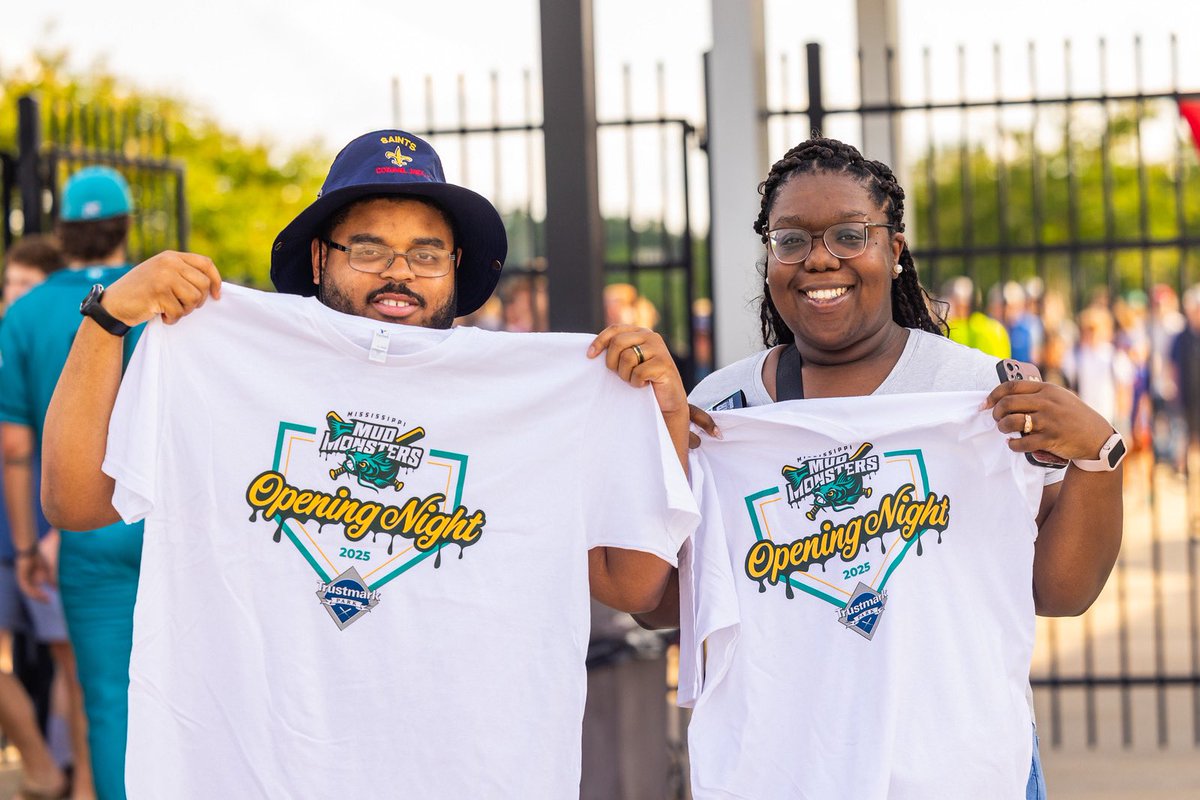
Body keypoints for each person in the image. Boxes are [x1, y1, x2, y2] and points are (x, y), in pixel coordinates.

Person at [39, 130, 694, 798]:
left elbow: (635, 586)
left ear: (457, 264)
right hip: (252, 773)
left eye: (425, 252)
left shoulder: (535, 394)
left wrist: (665, 413)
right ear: (321, 258)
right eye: (370, 247)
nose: (399, 271)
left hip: (461, 776)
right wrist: (107, 320)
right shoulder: (227, 357)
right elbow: (73, 501)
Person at [635, 137, 1124, 799]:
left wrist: (1101, 456)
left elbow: (1061, 591)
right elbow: (664, 602)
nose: (818, 259)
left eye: (848, 234)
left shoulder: (975, 394)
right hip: (784, 773)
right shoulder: (720, 411)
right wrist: (662, 472)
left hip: (961, 770)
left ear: (894, 250)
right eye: (790, 240)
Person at [0, 167, 149, 800]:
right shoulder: (162, 296)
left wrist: (31, 544)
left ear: (61, 233)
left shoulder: (25, 312)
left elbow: (14, 446)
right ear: (125, 228)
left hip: (86, 527)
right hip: (165, 520)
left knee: (108, 702)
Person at [0, 236, 78, 800]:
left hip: (50, 530)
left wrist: (49, 537)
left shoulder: (67, 347)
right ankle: (40, 763)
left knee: (70, 665)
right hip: (7, 533)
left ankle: (69, 776)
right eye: (9, 284)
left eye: (26, 286)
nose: (14, 296)